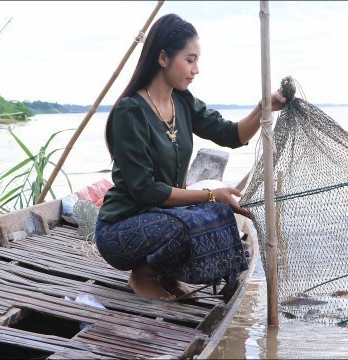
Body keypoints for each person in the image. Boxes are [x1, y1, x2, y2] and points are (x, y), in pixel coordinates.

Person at [94, 13, 286, 301]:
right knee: (190, 222)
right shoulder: (130, 111)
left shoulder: (181, 100)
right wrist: (210, 194)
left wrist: (263, 108)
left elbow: (232, 135)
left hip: (163, 217)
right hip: (121, 231)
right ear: (163, 58)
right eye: (190, 59)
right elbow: (145, 190)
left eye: (197, 60)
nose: (196, 69)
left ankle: (166, 274)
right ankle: (143, 274)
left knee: (221, 214)